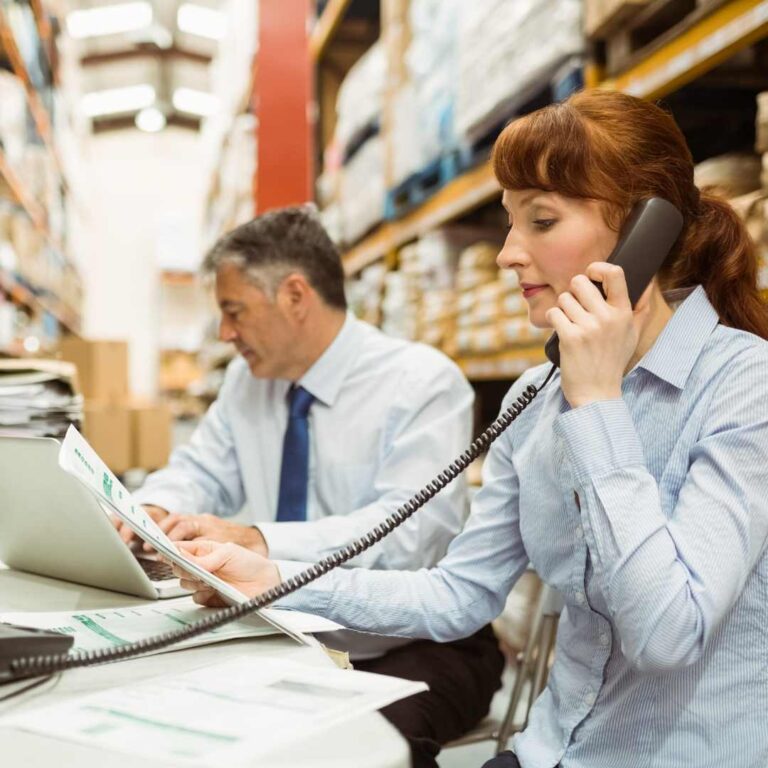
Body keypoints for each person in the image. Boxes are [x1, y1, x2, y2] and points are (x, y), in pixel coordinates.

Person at [172, 90, 768, 768]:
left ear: (646, 231)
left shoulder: (746, 384)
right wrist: (272, 576)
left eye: (540, 220)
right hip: (550, 751)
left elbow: (669, 632)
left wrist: (599, 404)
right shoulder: (535, 400)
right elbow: (458, 594)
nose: (507, 255)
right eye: (509, 223)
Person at [122, 206, 504, 768]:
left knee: (351, 750)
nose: (225, 334)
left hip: (411, 644)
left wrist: (259, 542)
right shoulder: (246, 382)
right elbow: (202, 468)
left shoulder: (421, 383)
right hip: (287, 626)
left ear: (295, 296)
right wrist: (156, 507)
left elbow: (408, 538)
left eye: (235, 312)